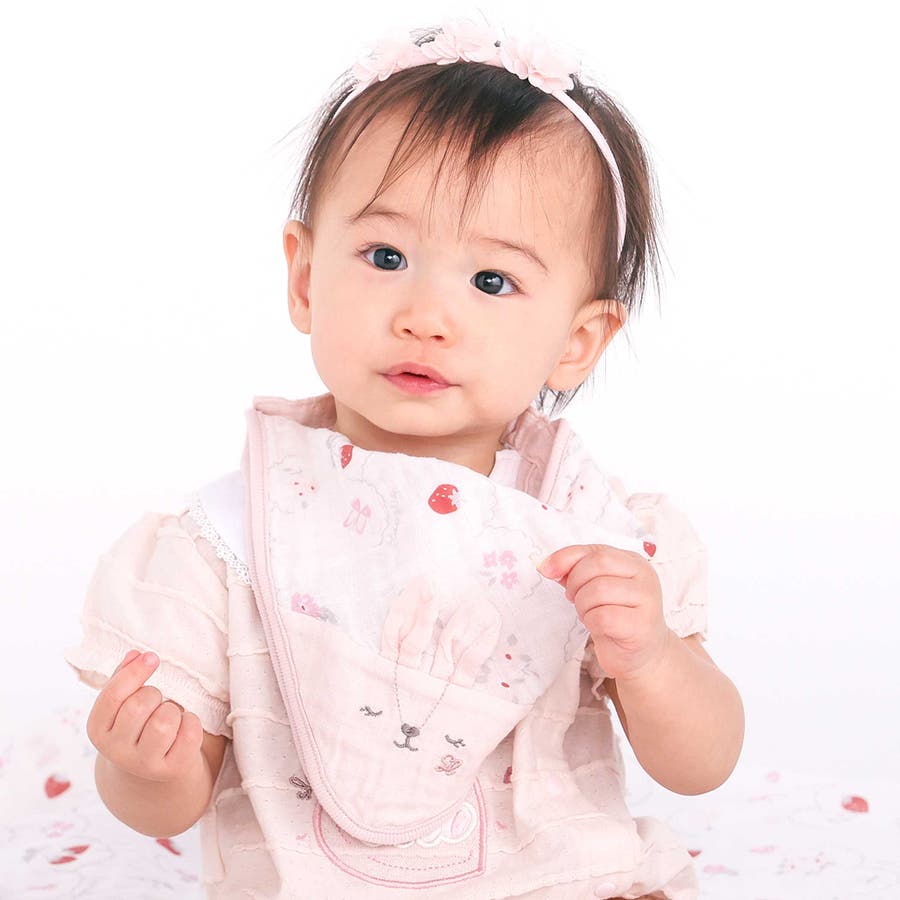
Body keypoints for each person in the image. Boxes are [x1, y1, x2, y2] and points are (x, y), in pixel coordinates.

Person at [64, 17, 744, 900]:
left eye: (492, 281)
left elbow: (701, 764)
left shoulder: (597, 531)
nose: (425, 315)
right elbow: (172, 799)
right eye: (385, 256)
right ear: (305, 278)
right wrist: (144, 768)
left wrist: (650, 659)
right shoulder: (231, 540)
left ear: (578, 342)